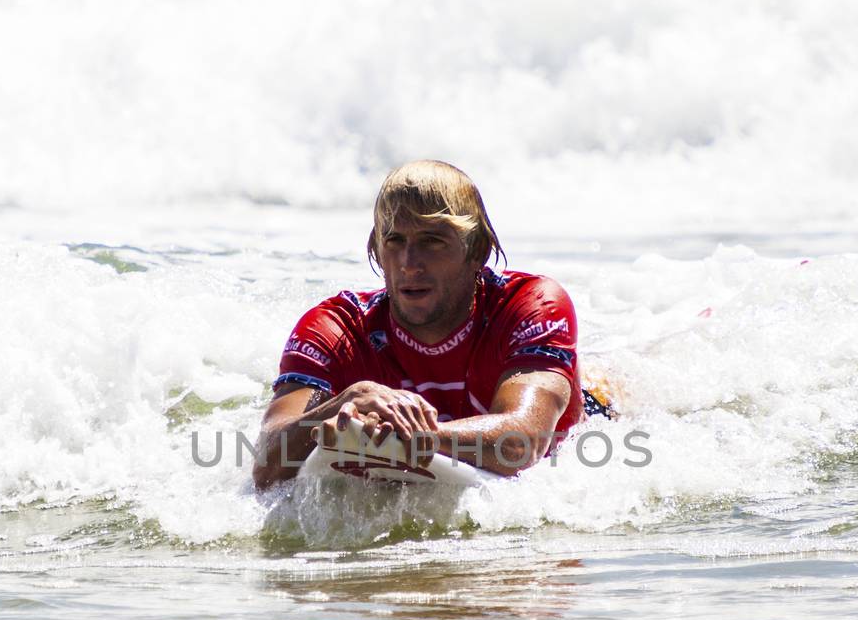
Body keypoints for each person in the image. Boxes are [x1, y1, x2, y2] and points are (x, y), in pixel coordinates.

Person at [253, 160, 599, 489]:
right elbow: (266, 464)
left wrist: (408, 436)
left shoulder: (530, 304)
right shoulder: (334, 330)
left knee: (609, 390)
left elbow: (522, 441)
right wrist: (344, 401)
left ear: (477, 250)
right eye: (395, 241)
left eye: (432, 241)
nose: (409, 264)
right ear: (376, 250)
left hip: (588, 424)